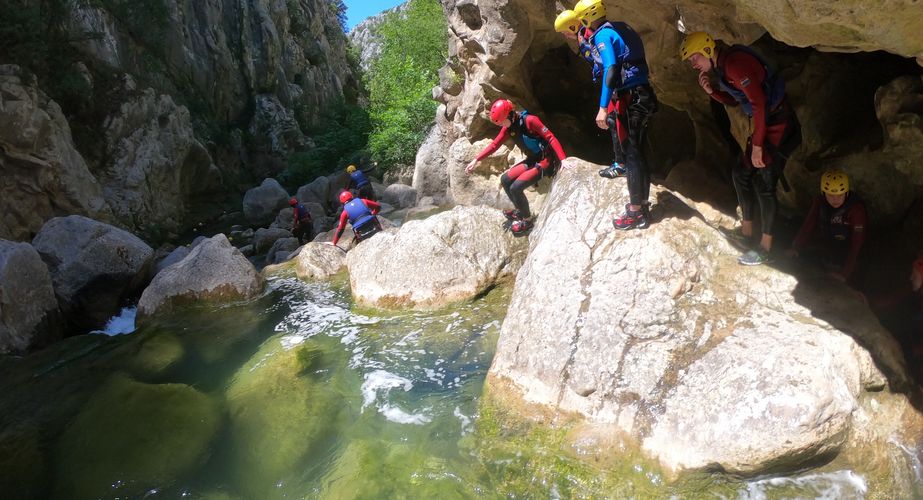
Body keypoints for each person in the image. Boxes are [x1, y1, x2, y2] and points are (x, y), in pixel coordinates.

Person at [681, 31, 802, 265]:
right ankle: (746, 233)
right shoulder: (722, 66)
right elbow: (738, 101)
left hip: (779, 122)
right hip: (767, 120)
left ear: (706, 49)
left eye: (694, 57)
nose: (693, 63)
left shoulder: (734, 65)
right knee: (741, 172)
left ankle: (766, 247)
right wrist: (712, 92)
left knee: (765, 183)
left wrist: (757, 145)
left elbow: (758, 104)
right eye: (690, 60)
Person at [574, 0, 658, 230]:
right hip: (641, 94)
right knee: (637, 152)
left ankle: (635, 212)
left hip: (632, 97)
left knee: (632, 154)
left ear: (586, 19)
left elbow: (610, 68)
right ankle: (641, 204)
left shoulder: (602, 36)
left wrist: (602, 106)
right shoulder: (618, 26)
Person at [464, 98, 567, 235]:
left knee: (516, 187)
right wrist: (476, 160)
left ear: (509, 115)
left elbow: (550, 137)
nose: (501, 125)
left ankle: (528, 221)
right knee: (505, 180)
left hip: (545, 161)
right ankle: (521, 210)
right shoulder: (509, 127)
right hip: (533, 159)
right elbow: (494, 145)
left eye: (501, 122)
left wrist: (563, 159)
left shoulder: (530, 120)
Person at [554, 9, 627, 177]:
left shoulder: (588, 35)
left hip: (615, 82)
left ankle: (621, 163)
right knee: (614, 120)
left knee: (614, 119)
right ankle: (621, 160)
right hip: (612, 81)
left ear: (572, 26)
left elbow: (607, 64)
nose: (565, 35)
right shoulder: (583, 36)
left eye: (565, 31)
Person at [786, 170, 867, 285]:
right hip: (828, 242)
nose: (835, 199)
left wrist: (845, 274)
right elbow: (808, 224)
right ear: (824, 193)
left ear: (847, 193)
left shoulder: (856, 210)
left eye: (840, 195)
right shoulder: (819, 201)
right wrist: (796, 247)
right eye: (830, 195)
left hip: (847, 249)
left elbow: (857, 244)